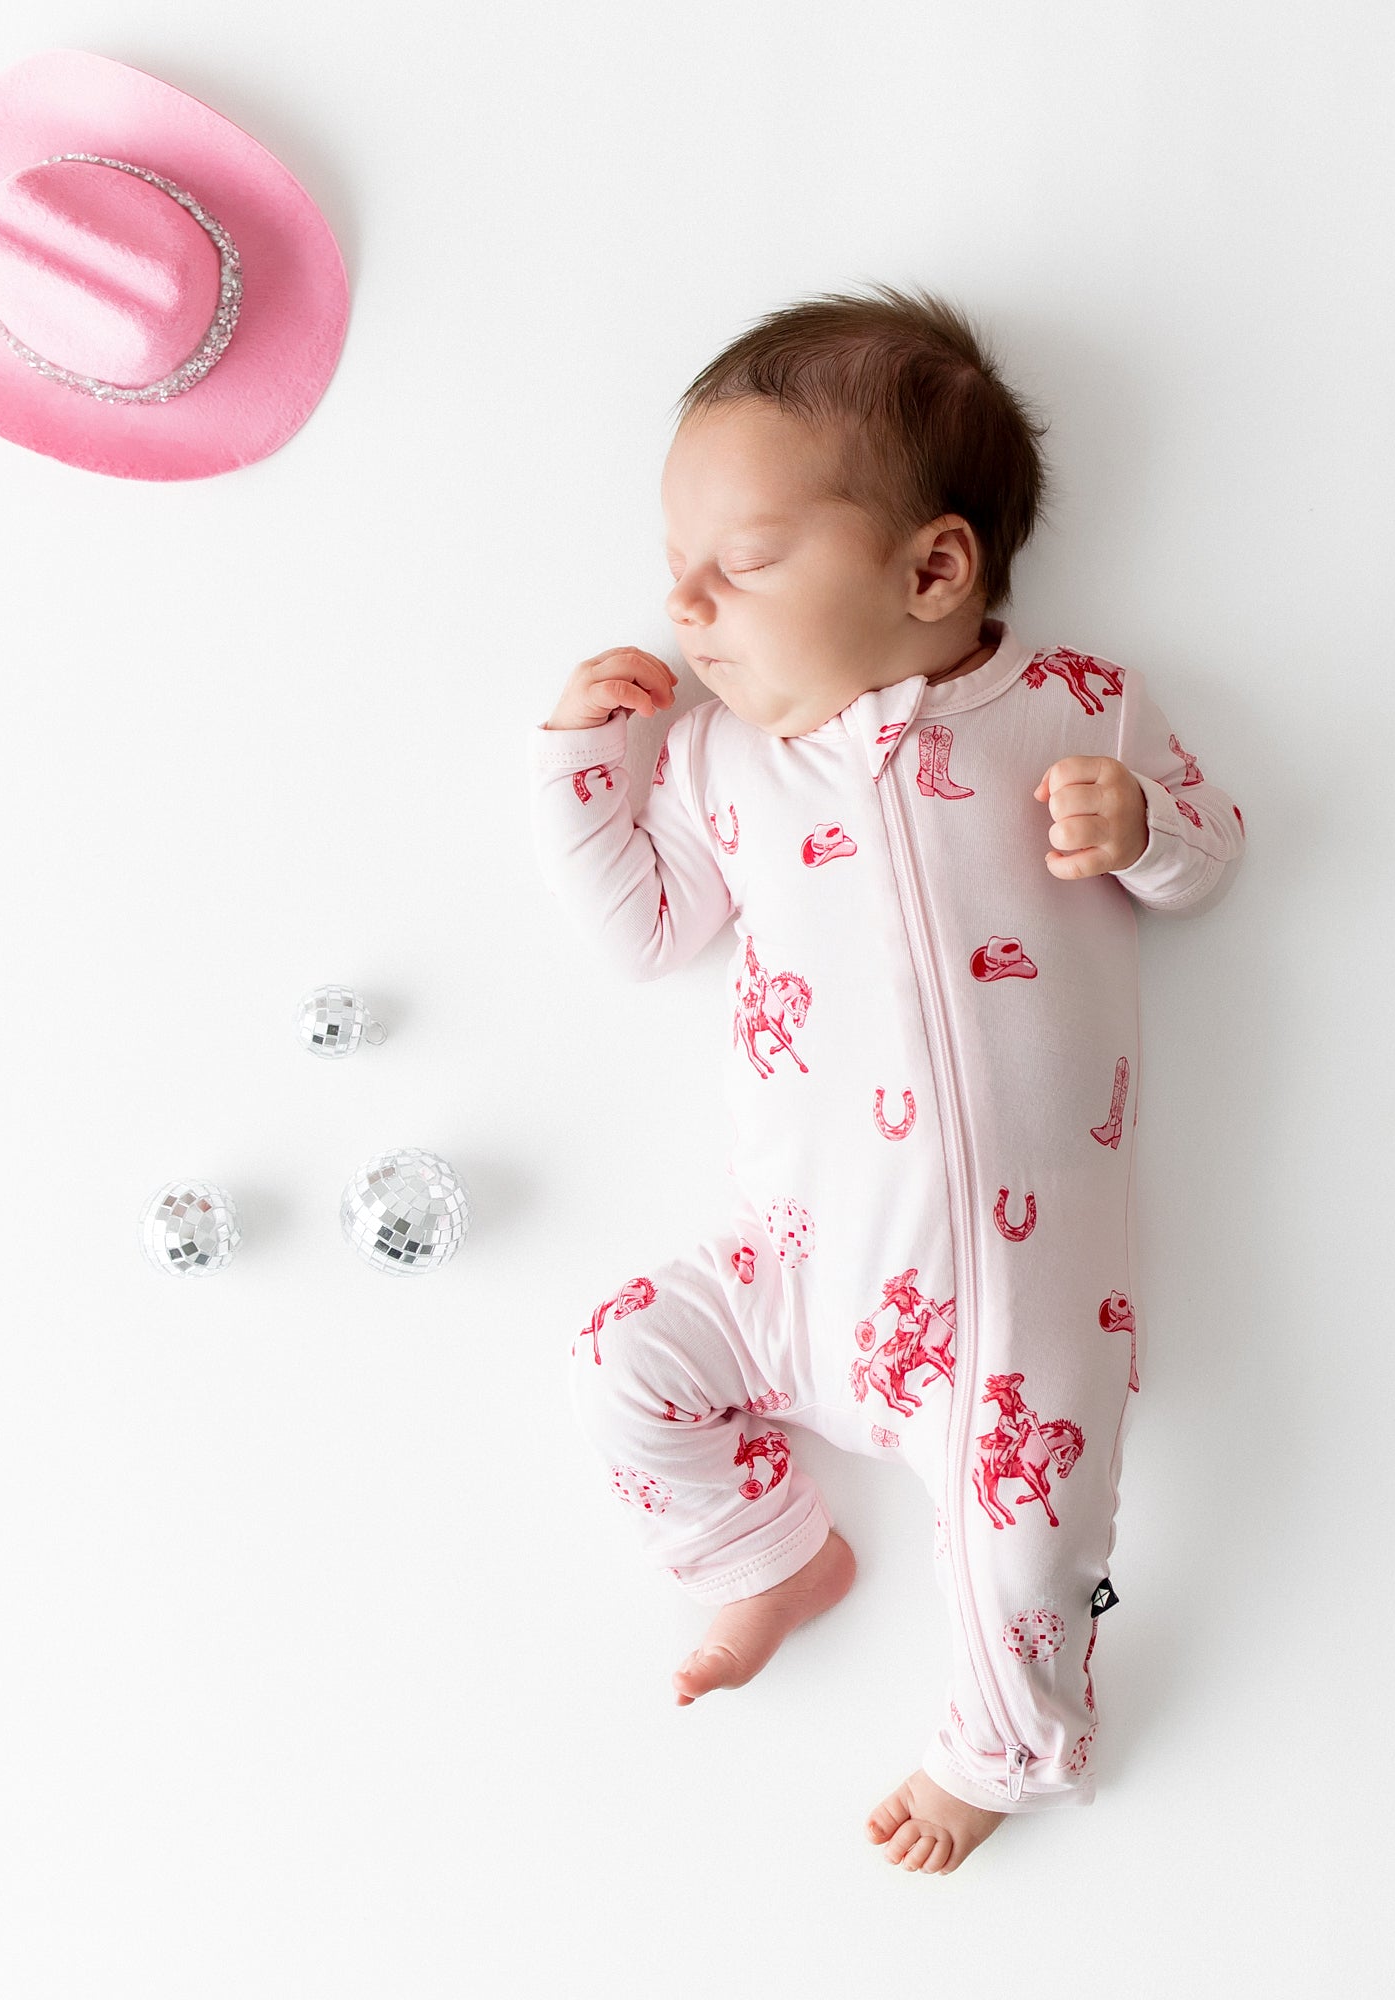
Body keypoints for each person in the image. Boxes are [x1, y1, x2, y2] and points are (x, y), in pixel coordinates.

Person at [530, 284, 1245, 1874]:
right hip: (795, 1266)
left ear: (934, 568)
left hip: (1011, 1294)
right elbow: (650, 931)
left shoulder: (1073, 708)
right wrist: (588, 768)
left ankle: (1006, 1742)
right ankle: (766, 1553)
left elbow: (1214, 859)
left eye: (744, 563)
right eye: (678, 573)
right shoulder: (723, 760)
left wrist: (1147, 832)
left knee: (1029, 1540)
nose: (689, 609)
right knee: (623, 1359)